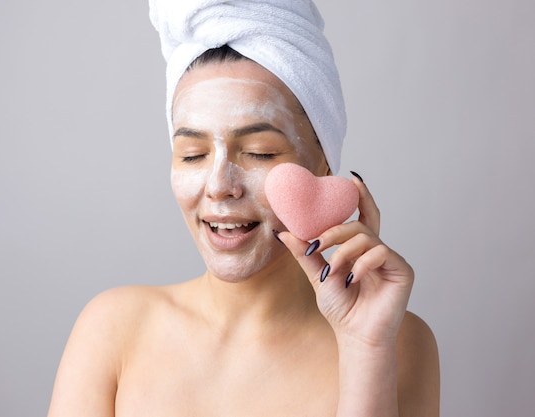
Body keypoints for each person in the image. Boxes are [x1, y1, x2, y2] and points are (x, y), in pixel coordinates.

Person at [47, 1, 440, 416]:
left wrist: (365, 349)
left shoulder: (395, 340)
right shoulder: (113, 328)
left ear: (322, 164)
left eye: (259, 152)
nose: (219, 186)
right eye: (192, 154)